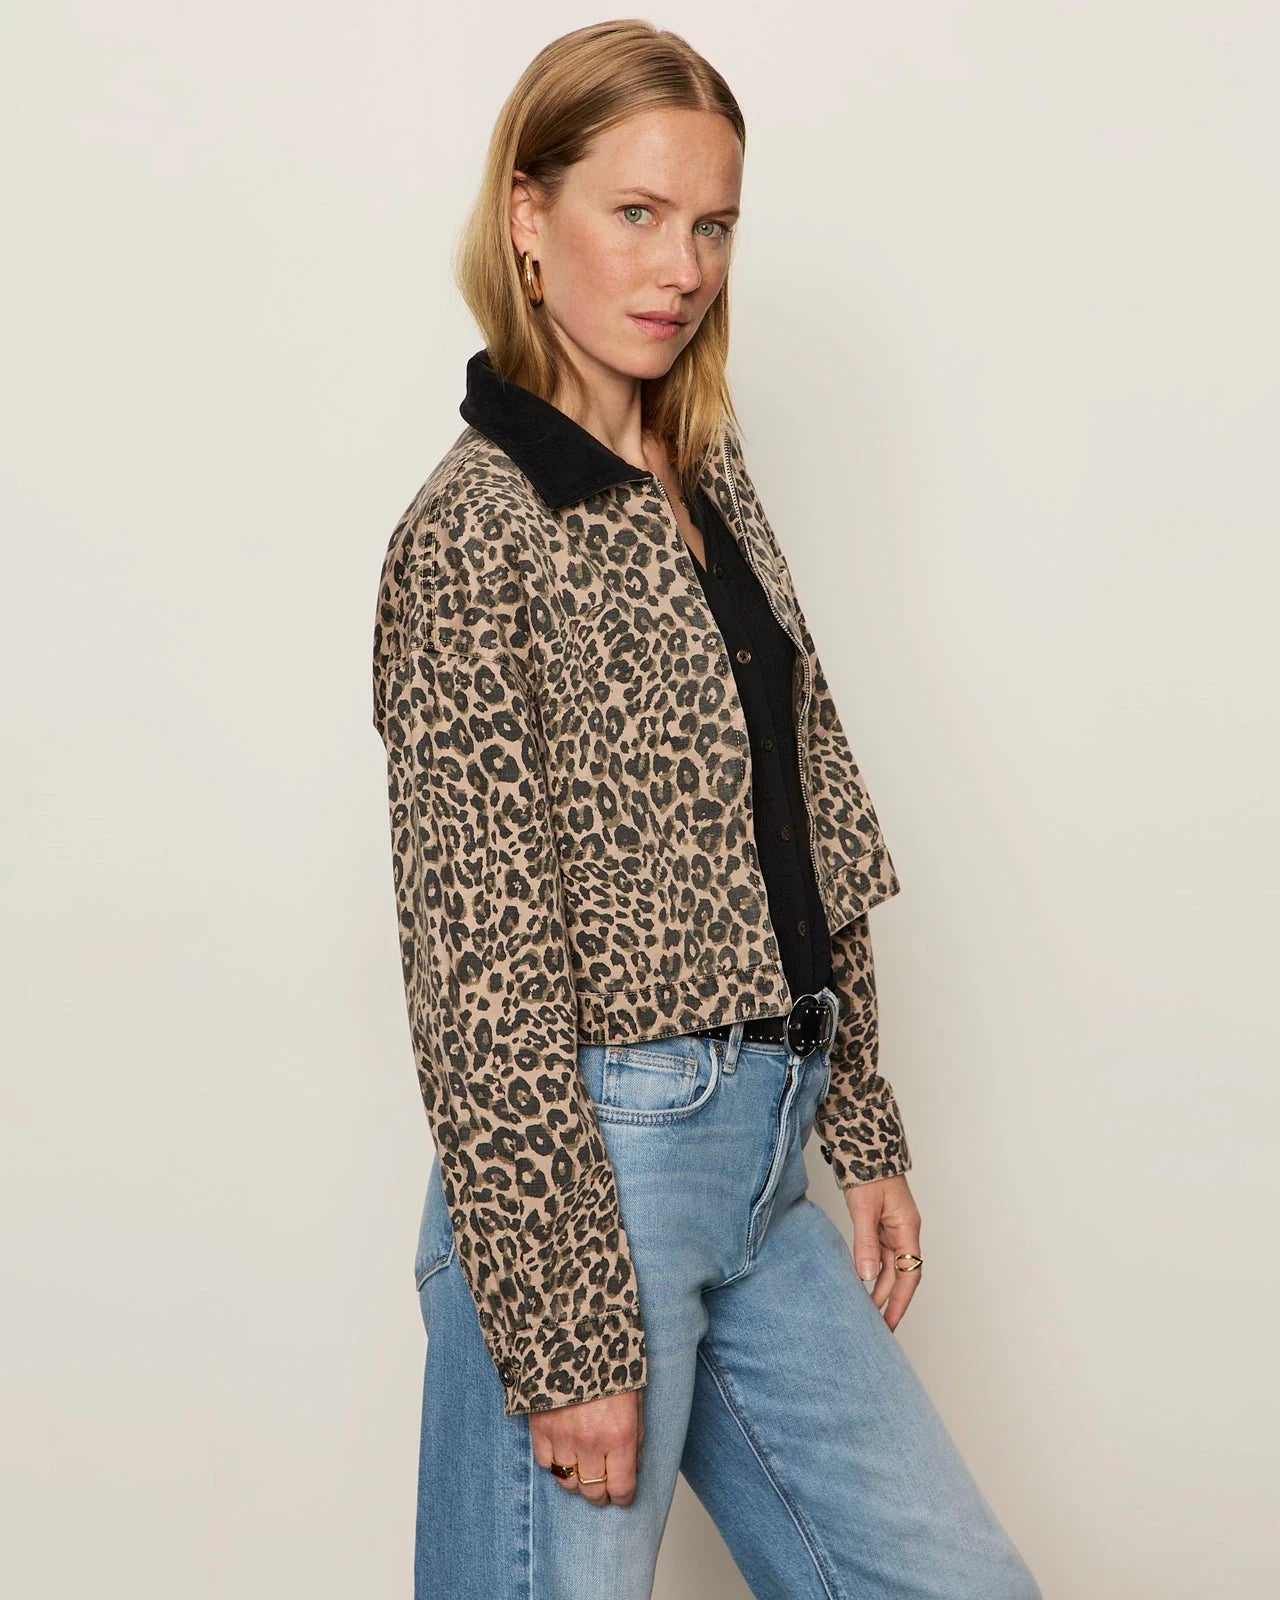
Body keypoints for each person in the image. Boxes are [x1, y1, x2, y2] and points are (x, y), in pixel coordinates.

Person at [371, 19, 1042, 1600]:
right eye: (637, 212)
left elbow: (809, 811)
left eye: (714, 224)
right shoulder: (474, 533)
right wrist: (562, 1329)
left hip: (760, 1151)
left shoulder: (704, 476)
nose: (683, 268)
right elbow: (479, 970)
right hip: (590, 1175)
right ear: (528, 217)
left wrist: (857, 1119)